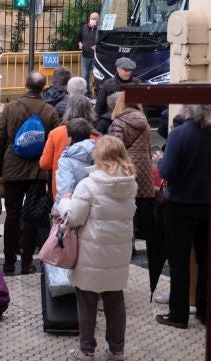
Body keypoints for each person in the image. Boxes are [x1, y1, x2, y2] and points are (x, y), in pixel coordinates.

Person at [64, 135, 137, 361]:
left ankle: (86, 350)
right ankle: (117, 350)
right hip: (118, 253)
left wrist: (67, 201)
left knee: (87, 301)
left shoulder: (88, 184)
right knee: (115, 300)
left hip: (91, 253)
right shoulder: (130, 183)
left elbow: (74, 218)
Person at [0, 72, 59, 275]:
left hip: (13, 168)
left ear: (25, 84)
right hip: (38, 170)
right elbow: (54, 144)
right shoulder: (50, 111)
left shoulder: (11, 108)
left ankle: (9, 263)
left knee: (12, 215)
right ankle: (28, 261)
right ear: (44, 87)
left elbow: (0, 139)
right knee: (32, 216)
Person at [156, 104, 211, 330]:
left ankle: (178, 314)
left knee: (179, 260)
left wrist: (161, 161)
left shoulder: (179, 134)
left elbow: (167, 172)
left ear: (187, 111)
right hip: (208, 203)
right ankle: (205, 311)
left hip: (180, 205)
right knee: (206, 259)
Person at [107, 94, 155, 240]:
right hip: (144, 168)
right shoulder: (144, 120)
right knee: (143, 207)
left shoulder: (118, 122)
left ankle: (129, 242)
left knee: (127, 208)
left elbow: (116, 150)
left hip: (127, 168)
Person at [40, 95, 97, 199]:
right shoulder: (97, 137)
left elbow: (45, 163)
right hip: (91, 192)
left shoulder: (56, 133)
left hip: (61, 192)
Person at [52, 118, 96, 209]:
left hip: (74, 206)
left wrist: (58, 208)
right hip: (94, 205)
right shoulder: (99, 153)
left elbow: (65, 191)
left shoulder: (66, 160)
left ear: (70, 138)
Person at [76, 11, 99, 93]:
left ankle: (97, 94)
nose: (92, 20)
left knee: (97, 77)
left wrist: (97, 46)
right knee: (84, 76)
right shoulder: (84, 27)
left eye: (94, 19)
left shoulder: (100, 29)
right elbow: (78, 37)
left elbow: (102, 41)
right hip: (85, 56)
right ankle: (86, 94)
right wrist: (79, 43)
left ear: (98, 20)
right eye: (91, 18)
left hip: (96, 57)